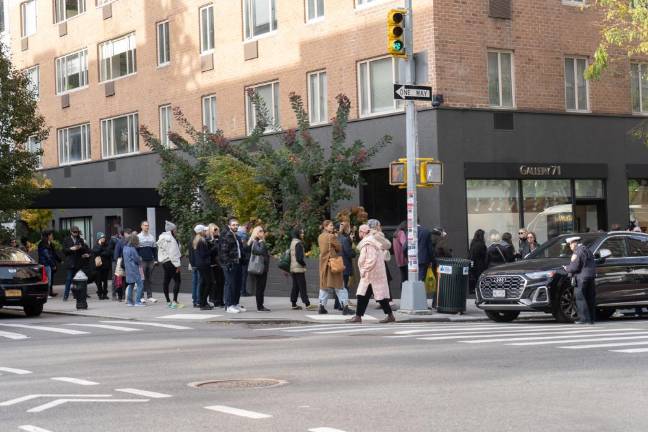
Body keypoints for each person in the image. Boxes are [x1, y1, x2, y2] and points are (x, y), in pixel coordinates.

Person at [347, 224, 395, 324]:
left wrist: (364, 269)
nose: (359, 233)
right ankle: (389, 315)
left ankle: (358, 316)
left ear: (363, 232)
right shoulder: (373, 240)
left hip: (370, 274)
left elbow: (371, 259)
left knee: (364, 295)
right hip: (375, 274)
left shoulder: (369, 242)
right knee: (372, 296)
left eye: (360, 231)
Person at [318, 220, 354, 315]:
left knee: (324, 286)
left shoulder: (320, 237)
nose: (332, 227)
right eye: (330, 225)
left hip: (323, 265)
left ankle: (321, 306)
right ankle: (345, 307)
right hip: (332, 264)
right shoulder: (331, 236)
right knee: (340, 286)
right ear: (325, 227)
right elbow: (339, 248)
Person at [563, 236, 596, 324]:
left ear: (575, 243)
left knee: (580, 298)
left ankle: (584, 319)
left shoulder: (577, 252)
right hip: (591, 277)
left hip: (581, 278)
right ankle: (591, 319)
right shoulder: (587, 250)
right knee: (590, 298)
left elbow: (574, 267)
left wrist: (567, 268)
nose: (570, 246)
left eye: (570, 244)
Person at [219, 217, 246, 314]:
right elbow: (223, 252)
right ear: (229, 226)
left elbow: (240, 250)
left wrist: (243, 260)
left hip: (237, 263)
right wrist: (227, 264)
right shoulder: (226, 236)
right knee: (230, 284)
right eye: (233, 225)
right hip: (230, 264)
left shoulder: (237, 236)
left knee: (237, 284)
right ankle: (228, 305)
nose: (235, 226)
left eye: (237, 225)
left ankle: (235, 303)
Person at [289, 227, 317, 311]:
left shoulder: (293, 242)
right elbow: (299, 258)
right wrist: (304, 265)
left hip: (293, 267)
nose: (303, 234)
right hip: (298, 268)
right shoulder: (298, 243)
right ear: (298, 234)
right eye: (301, 233)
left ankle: (293, 304)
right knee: (302, 286)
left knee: (296, 286)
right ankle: (307, 304)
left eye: (303, 233)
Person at [157, 221, 183, 309]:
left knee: (166, 281)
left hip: (164, 262)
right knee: (177, 281)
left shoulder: (161, 238)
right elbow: (173, 253)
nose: (176, 231)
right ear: (171, 230)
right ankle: (175, 302)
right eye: (175, 229)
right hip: (172, 262)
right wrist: (178, 265)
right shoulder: (171, 239)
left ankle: (168, 301)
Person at [62, 226, 91, 301]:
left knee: (78, 280)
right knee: (68, 279)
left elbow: (85, 249)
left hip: (78, 262)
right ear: (71, 232)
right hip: (70, 262)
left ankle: (77, 294)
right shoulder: (66, 239)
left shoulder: (80, 239)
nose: (76, 233)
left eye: (77, 232)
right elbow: (64, 251)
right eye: (74, 232)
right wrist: (71, 249)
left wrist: (80, 247)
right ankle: (66, 296)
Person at [247, 226, 271, 312]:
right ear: (257, 233)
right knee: (260, 287)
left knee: (261, 287)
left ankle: (261, 305)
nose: (263, 233)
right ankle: (260, 306)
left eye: (263, 231)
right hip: (260, 268)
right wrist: (262, 242)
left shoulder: (259, 242)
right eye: (261, 231)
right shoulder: (256, 241)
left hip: (262, 268)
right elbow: (259, 251)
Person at [193, 224, 214, 311]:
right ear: (201, 232)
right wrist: (213, 250)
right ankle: (203, 303)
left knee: (204, 283)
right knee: (208, 283)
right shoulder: (201, 241)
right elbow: (203, 254)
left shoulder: (198, 240)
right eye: (205, 231)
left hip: (201, 264)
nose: (206, 232)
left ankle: (203, 302)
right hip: (204, 264)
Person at [137, 221, 158, 303]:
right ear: (141, 226)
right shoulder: (138, 237)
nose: (147, 227)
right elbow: (136, 249)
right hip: (142, 261)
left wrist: (156, 259)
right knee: (142, 278)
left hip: (150, 260)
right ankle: (141, 296)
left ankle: (149, 296)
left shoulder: (151, 237)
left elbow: (154, 249)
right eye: (145, 225)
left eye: (148, 225)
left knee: (149, 278)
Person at [123, 234, 145, 307]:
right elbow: (137, 259)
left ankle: (129, 302)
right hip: (134, 269)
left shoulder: (125, 248)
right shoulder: (132, 249)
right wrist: (140, 259)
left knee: (131, 285)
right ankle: (138, 301)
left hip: (128, 269)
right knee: (140, 285)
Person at [207, 223, 225, 308]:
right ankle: (214, 300)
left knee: (221, 282)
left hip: (220, 264)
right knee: (214, 283)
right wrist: (214, 243)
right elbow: (209, 253)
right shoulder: (208, 240)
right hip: (212, 264)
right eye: (214, 230)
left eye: (217, 230)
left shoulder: (220, 239)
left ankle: (220, 300)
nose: (216, 232)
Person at [38, 230, 59, 297]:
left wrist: (58, 260)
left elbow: (52, 254)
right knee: (47, 280)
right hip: (46, 264)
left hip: (46, 264)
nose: (52, 236)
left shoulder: (47, 243)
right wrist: (53, 265)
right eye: (51, 235)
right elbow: (47, 256)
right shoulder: (44, 244)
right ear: (48, 236)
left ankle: (48, 293)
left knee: (48, 280)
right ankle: (46, 294)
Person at [92, 232, 112, 300]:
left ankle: (105, 294)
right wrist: (100, 246)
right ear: (99, 239)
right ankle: (100, 294)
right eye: (101, 238)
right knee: (99, 280)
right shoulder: (96, 245)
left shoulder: (107, 245)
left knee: (105, 281)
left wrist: (101, 253)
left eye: (104, 238)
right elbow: (95, 252)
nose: (103, 239)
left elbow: (108, 253)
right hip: (98, 266)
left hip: (106, 266)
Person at [468, 229, 487, 294]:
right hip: (480, 265)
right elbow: (484, 255)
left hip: (474, 264)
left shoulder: (473, 243)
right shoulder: (481, 244)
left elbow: (471, 255)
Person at [188, 231, 202, 308]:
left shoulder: (191, 240)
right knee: (199, 282)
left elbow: (190, 253)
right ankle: (198, 300)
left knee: (195, 282)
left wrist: (192, 263)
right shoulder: (199, 240)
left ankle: (195, 300)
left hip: (193, 264)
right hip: (198, 264)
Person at [237, 223, 251, 297]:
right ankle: (243, 291)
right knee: (244, 275)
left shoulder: (237, 235)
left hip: (239, 257)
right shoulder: (244, 235)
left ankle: (241, 290)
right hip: (245, 257)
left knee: (241, 275)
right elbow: (245, 247)